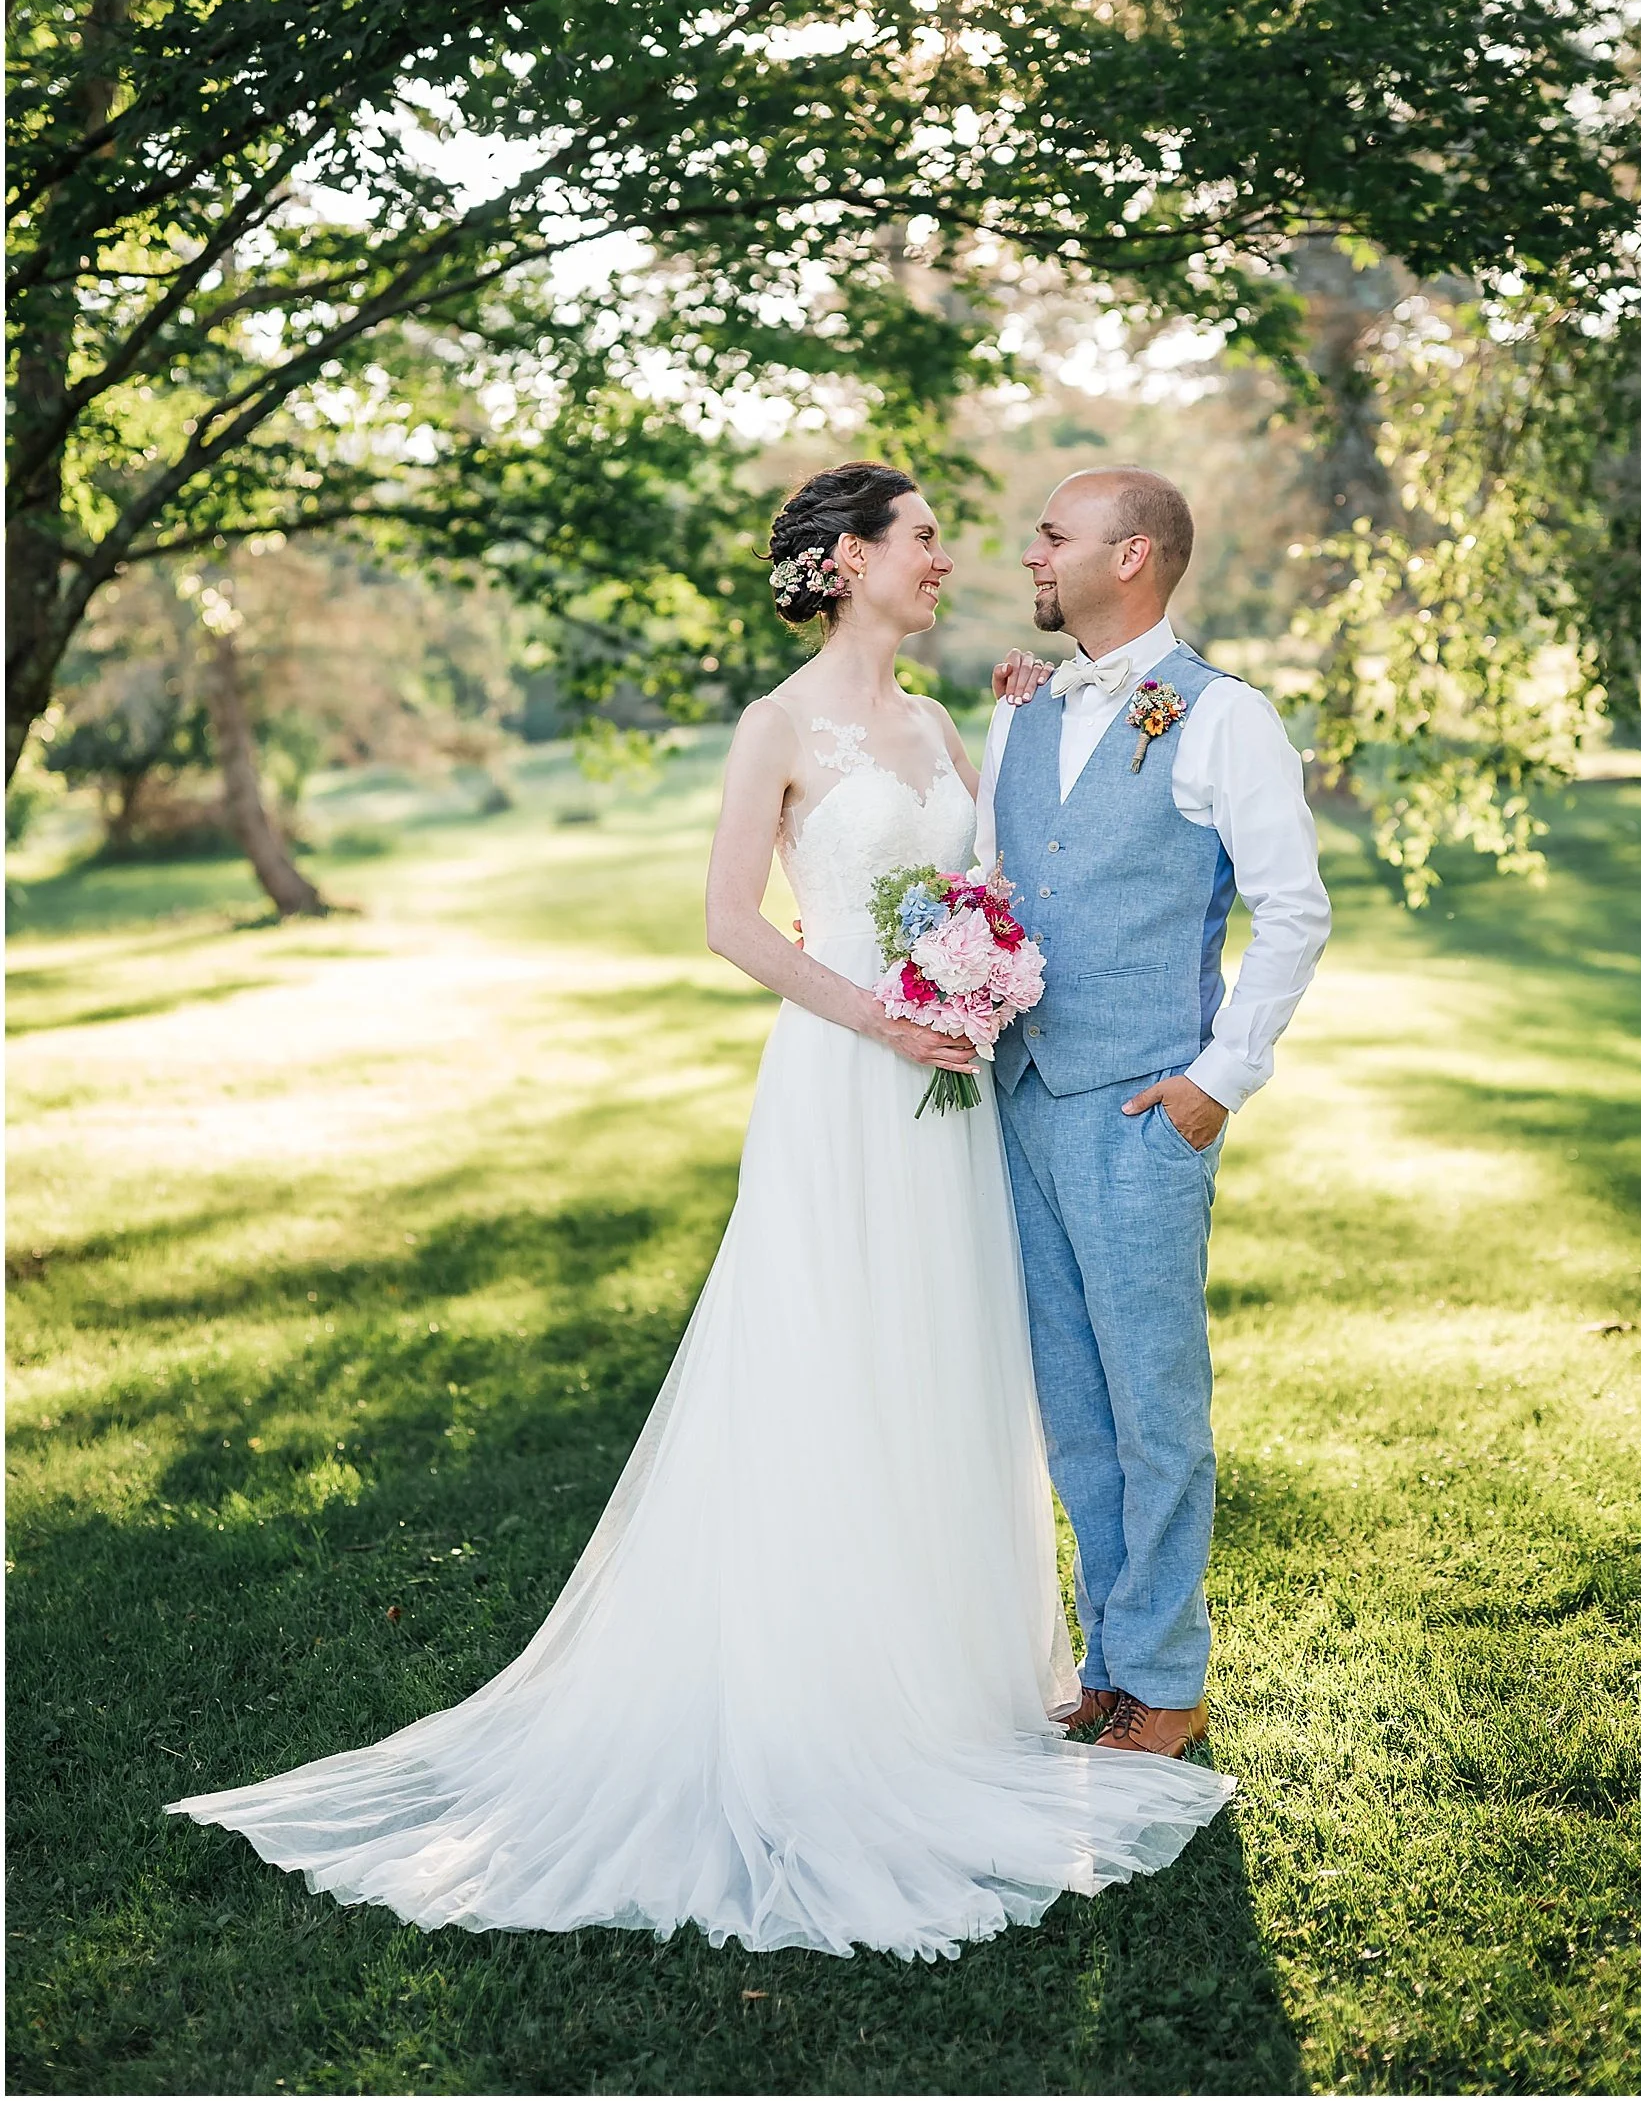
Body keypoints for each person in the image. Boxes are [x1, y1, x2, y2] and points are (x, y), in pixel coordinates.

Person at [168, 462, 1231, 1958]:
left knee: (940, 1368)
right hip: (849, 1082)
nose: (946, 559)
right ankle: (816, 1691)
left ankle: (948, 1679)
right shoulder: (775, 727)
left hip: (947, 1101)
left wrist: (980, 947)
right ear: (846, 559)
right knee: (819, 1363)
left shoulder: (947, 722)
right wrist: (887, 1013)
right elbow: (731, 920)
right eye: (921, 540)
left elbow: (1004, 880)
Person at [981, 468, 1331, 1759]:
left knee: (1154, 1402)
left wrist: (1215, 1078)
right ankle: (1113, 1658)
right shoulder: (1019, 708)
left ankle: (1169, 1677)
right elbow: (997, 882)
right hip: (1020, 1102)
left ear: (1129, 555)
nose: (1032, 551)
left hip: (1141, 1108)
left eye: (1052, 534)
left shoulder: (1224, 717)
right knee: (1073, 1402)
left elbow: (1292, 908)